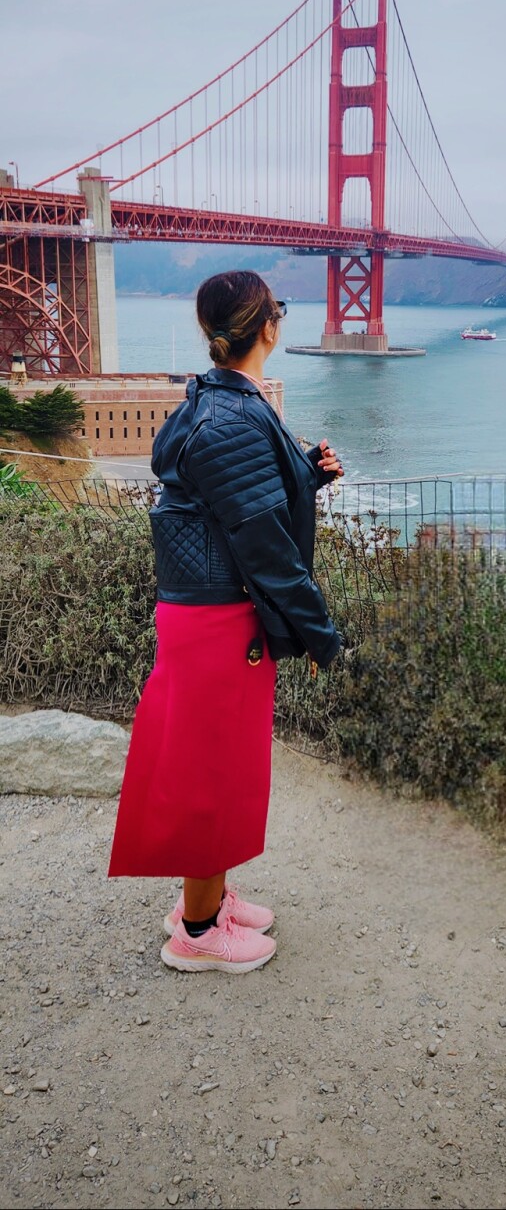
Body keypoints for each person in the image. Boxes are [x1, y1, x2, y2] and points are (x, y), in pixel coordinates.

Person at [109, 270, 344, 974]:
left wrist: (304, 474)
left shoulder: (213, 399)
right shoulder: (234, 417)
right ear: (268, 326)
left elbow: (231, 499)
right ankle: (198, 932)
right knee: (212, 772)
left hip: (210, 612)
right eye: (279, 310)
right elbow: (266, 550)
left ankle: (204, 897)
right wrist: (319, 634)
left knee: (221, 766)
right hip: (219, 620)